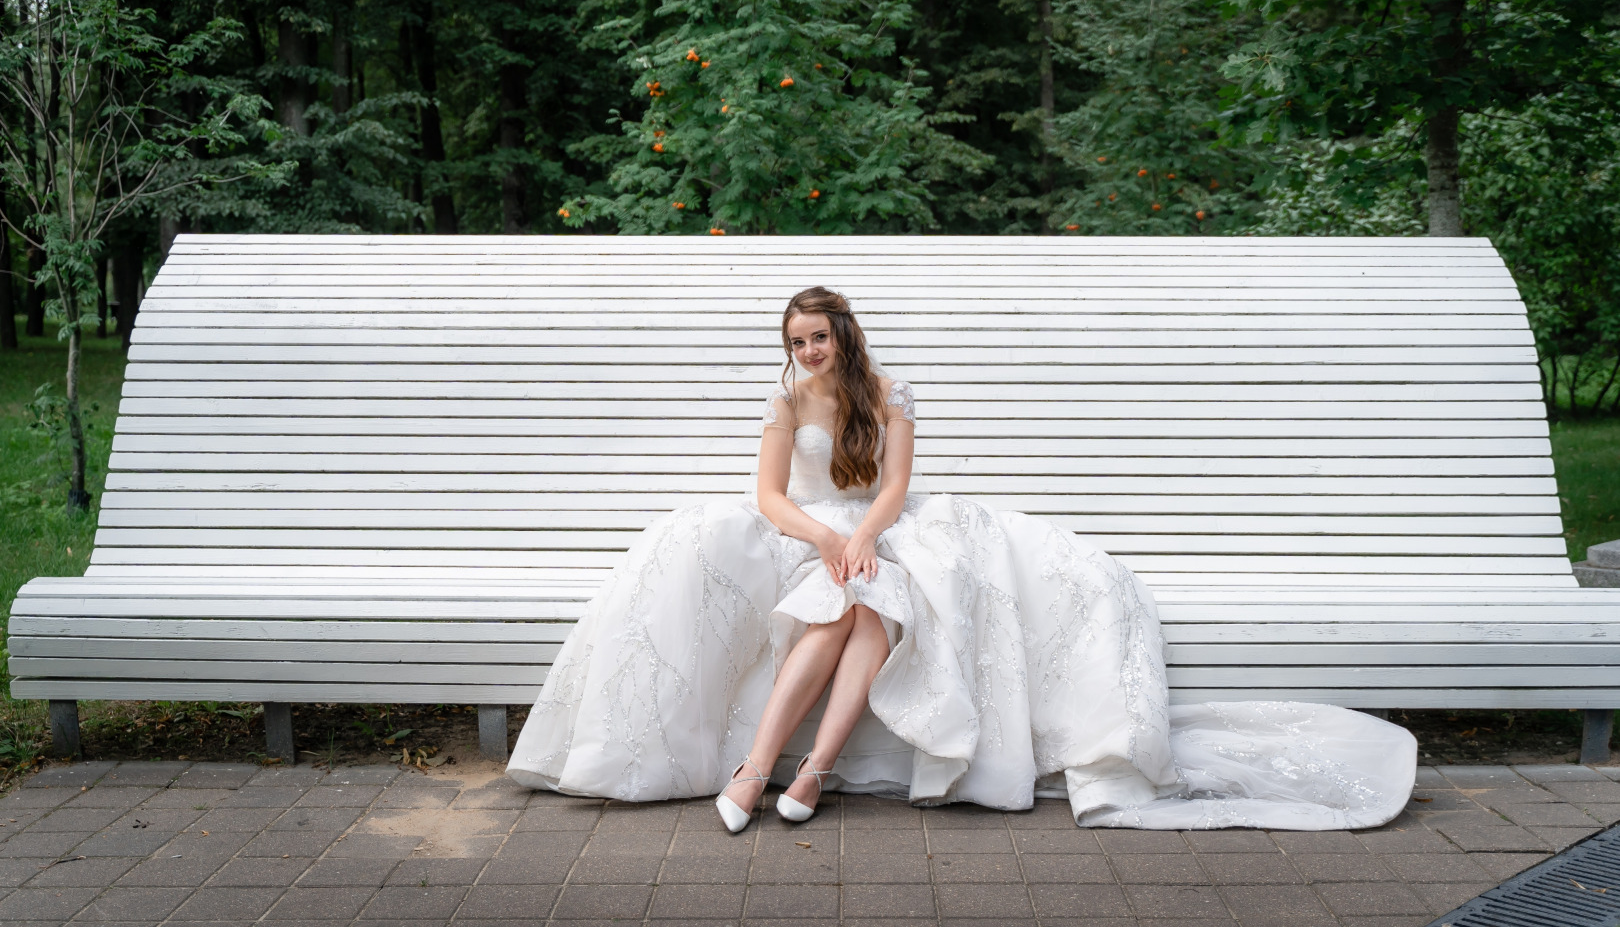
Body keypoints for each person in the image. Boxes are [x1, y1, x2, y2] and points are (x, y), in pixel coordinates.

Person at [507, 286, 1417, 831]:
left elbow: (897, 485)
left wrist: (864, 536)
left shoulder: (891, 393)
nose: (808, 351)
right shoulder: (786, 403)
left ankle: (811, 772)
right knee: (830, 608)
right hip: (811, 533)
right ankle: (760, 766)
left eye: (818, 337)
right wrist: (827, 536)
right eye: (795, 342)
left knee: (876, 604)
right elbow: (771, 497)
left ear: (844, 336)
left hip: (886, 528)